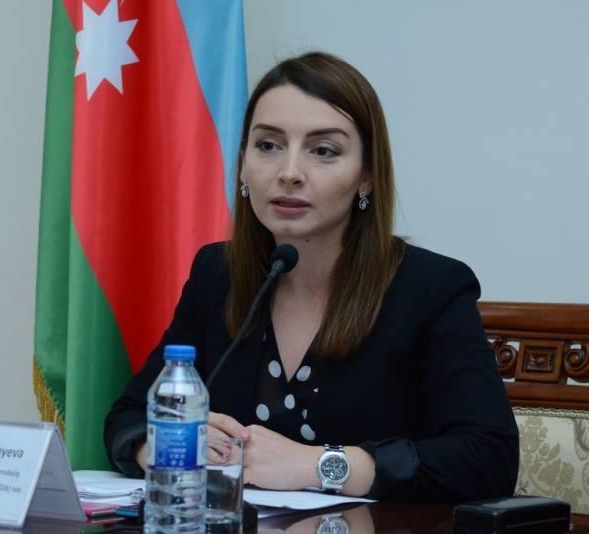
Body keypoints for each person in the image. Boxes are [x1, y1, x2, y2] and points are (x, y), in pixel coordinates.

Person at [104, 51, 519, 500]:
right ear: (242, 163)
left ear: (367, 177)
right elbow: (129, 417)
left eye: (323, 151)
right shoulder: (217, 274)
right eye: (268, 145)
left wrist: (317, 465)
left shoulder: (430, 288)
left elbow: (489, 457)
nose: (289, 173)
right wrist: (166, 444)